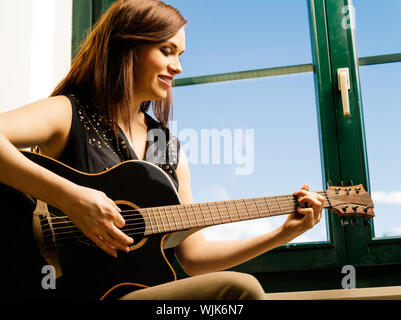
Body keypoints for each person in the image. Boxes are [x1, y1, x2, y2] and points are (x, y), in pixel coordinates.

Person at [0, 0, 324, 300]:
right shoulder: (68, 113)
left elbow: (193, 257)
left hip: (128, 294)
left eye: (180, 55)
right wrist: (70, 197)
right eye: (167, 51)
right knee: (242, 290)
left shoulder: (167, 148)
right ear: (126, 48)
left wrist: (281, 234)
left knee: (237, 293)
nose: (178, 67)